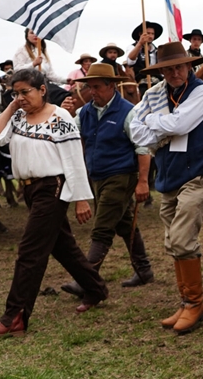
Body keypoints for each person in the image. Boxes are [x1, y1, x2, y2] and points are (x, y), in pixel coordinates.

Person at [0, 68, 108, 338]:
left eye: (26, 92)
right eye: (16, 93)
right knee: (63, 247)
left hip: (52, 188)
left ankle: (14, 316)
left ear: (42, 90)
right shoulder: (18, 117)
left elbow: (74, 159)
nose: (21, 98)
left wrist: (81, 199)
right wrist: (11, 107)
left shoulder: (60, 117)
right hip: (29, 189)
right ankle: (96, 289)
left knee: (30, 251)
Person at [129, 42, 203, 335]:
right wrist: (162, 124)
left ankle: (195, 304)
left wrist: (153, 121)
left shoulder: (202, 91)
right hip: (169, 175)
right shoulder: (155, 94)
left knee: (181, 238)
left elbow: (179, 125)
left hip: (197, 173)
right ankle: (186, 301)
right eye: (168, 69)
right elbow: (135, 131)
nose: (174, 73)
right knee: (172, 240)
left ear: (189, 66)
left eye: (179, 67)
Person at [57, 63, 154, 299]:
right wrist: (63, 114)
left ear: (112, 86)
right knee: (124, 223)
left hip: (121, 175)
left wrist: (143, 181)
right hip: (97, 176)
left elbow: (143, 148)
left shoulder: (128, 112)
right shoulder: (85, 112)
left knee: (102, 228)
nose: (93, 92)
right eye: (90, 87)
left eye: (97, 87)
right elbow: (67, 134)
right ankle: (144, 270)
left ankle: (86, 280)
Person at [125, 21, 163, 86]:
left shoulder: (156, 50)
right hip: (140, 82)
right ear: (140, 34)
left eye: (152, 34)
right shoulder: (132, 47)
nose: (150, 36)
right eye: (148, 33)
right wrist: (140, 43)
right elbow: (130, 61)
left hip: (157, 82)